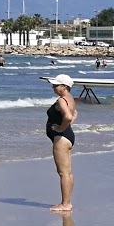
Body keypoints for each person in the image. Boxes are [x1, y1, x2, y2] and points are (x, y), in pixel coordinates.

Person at [45, 74, 78, 212]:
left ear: (64, 87)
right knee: (68, 173)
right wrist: (67, 127)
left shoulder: (61, 100)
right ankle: (67, 202)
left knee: (63, 173)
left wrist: (60, 128)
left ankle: (65, 204)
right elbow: (75, 114)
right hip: (67, 136)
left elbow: (69, 116)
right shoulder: (70, 99)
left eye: (56, 85)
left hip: (61, 138)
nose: (53, 87)